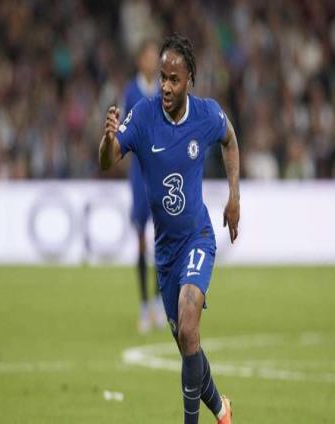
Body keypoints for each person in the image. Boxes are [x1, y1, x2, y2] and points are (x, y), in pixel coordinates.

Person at [99, 33, 239, 424]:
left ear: (189, 80)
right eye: (162, 77)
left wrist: (234, 197)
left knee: (189, 324)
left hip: (198, 238)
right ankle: (221, 410)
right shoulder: (143, 115)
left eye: (173, 79)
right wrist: (107, 140)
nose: (165, 86)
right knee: (187, 344)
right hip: (165, 254)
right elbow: (108, 160)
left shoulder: (206, 115)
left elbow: (230, 140)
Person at [123, 39, 166, 333]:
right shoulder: (131, 92)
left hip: (162, 173)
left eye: (155, 57)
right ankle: (143, 306)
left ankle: (159, 302)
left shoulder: (165, 90)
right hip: (140, 174)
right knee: (141, 238)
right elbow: (125, 130)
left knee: (163, 238)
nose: (153, 62)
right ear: (140, 61)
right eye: (149, 57)